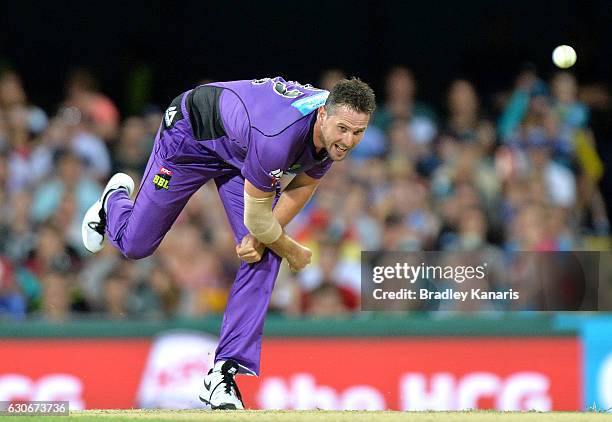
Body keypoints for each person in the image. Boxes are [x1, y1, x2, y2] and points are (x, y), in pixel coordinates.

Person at [81, 76, 375, 409]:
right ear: (323, 115)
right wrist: (290, 248)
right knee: (136, 245)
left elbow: (303, 185)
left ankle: (223, 373)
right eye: (344, 130)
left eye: (358, 132)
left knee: (264, 252)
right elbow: (257, 219)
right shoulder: (278, 138)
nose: (349, 140)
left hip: (241, 152)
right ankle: (114, 202)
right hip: (192, 134)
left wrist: (264, 237)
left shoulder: (336, 124)